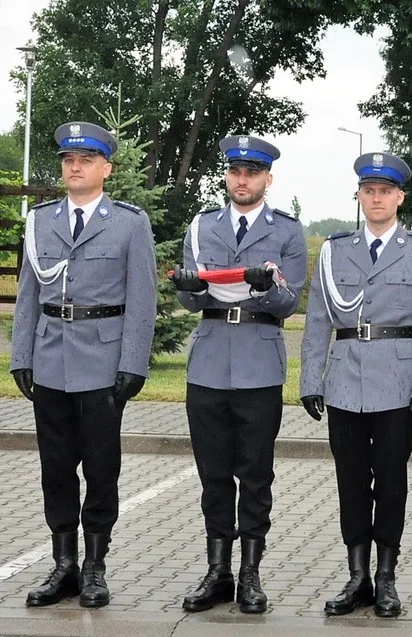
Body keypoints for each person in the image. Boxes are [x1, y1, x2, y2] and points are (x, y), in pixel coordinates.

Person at [10, 121, 157, 609]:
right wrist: (22, 357)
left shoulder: (129, 223)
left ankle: (95, 567)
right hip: (51, 357)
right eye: (69, 160)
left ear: (106, 169)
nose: (75, 167)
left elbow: (142, 297)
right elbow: (29, 294)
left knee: (100, 466)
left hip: (102, 358)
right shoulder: (41, 221)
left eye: (86, 160)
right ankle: (64, 565)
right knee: (55, 468)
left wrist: (133, 362)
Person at [299, 152, 412, 618]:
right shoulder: (335, 250)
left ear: (400, 197)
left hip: (398, 382)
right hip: (343, 379)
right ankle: (357, 576)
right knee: (351, 482)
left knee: (392, 481)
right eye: (369, 191)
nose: (376, 198)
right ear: (359, 196)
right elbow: (318, 320)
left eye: (385, 191)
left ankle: (386, 577)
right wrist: (310, 378)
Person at [169, 134, 307, 614]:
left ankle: (251, 573)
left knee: (255, 474)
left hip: (259, 360)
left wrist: (266, 288)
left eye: (252, 172)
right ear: (227, 176)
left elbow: (289, 302)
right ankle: (217, 571)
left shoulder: (288, 231)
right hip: (208, 361)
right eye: (235, 172)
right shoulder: (203, 226)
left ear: (268, 179)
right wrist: (189, 290)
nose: (242, 180)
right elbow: (191, 295)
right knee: (212, 475)